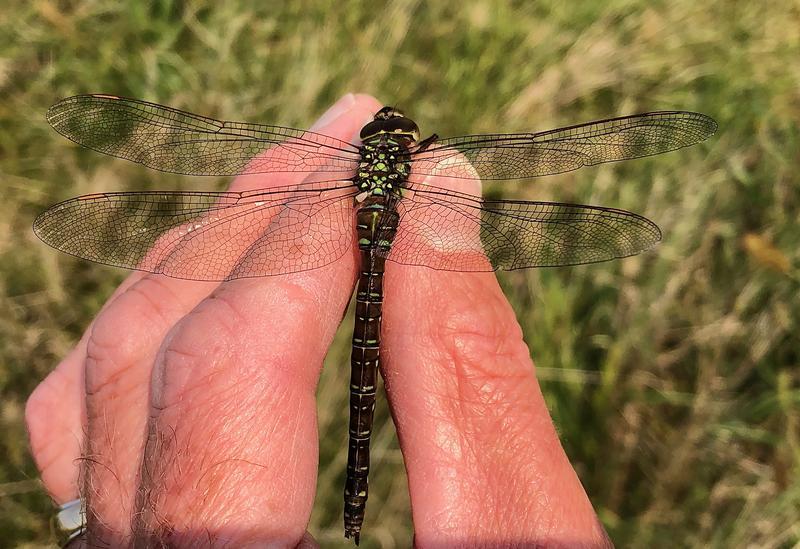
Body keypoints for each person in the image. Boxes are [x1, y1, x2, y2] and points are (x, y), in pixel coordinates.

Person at [26, 94, 612, 547]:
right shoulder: (415, 171)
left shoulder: (352, 172)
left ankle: (350, 494)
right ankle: (356, 493)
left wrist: (86, 530)